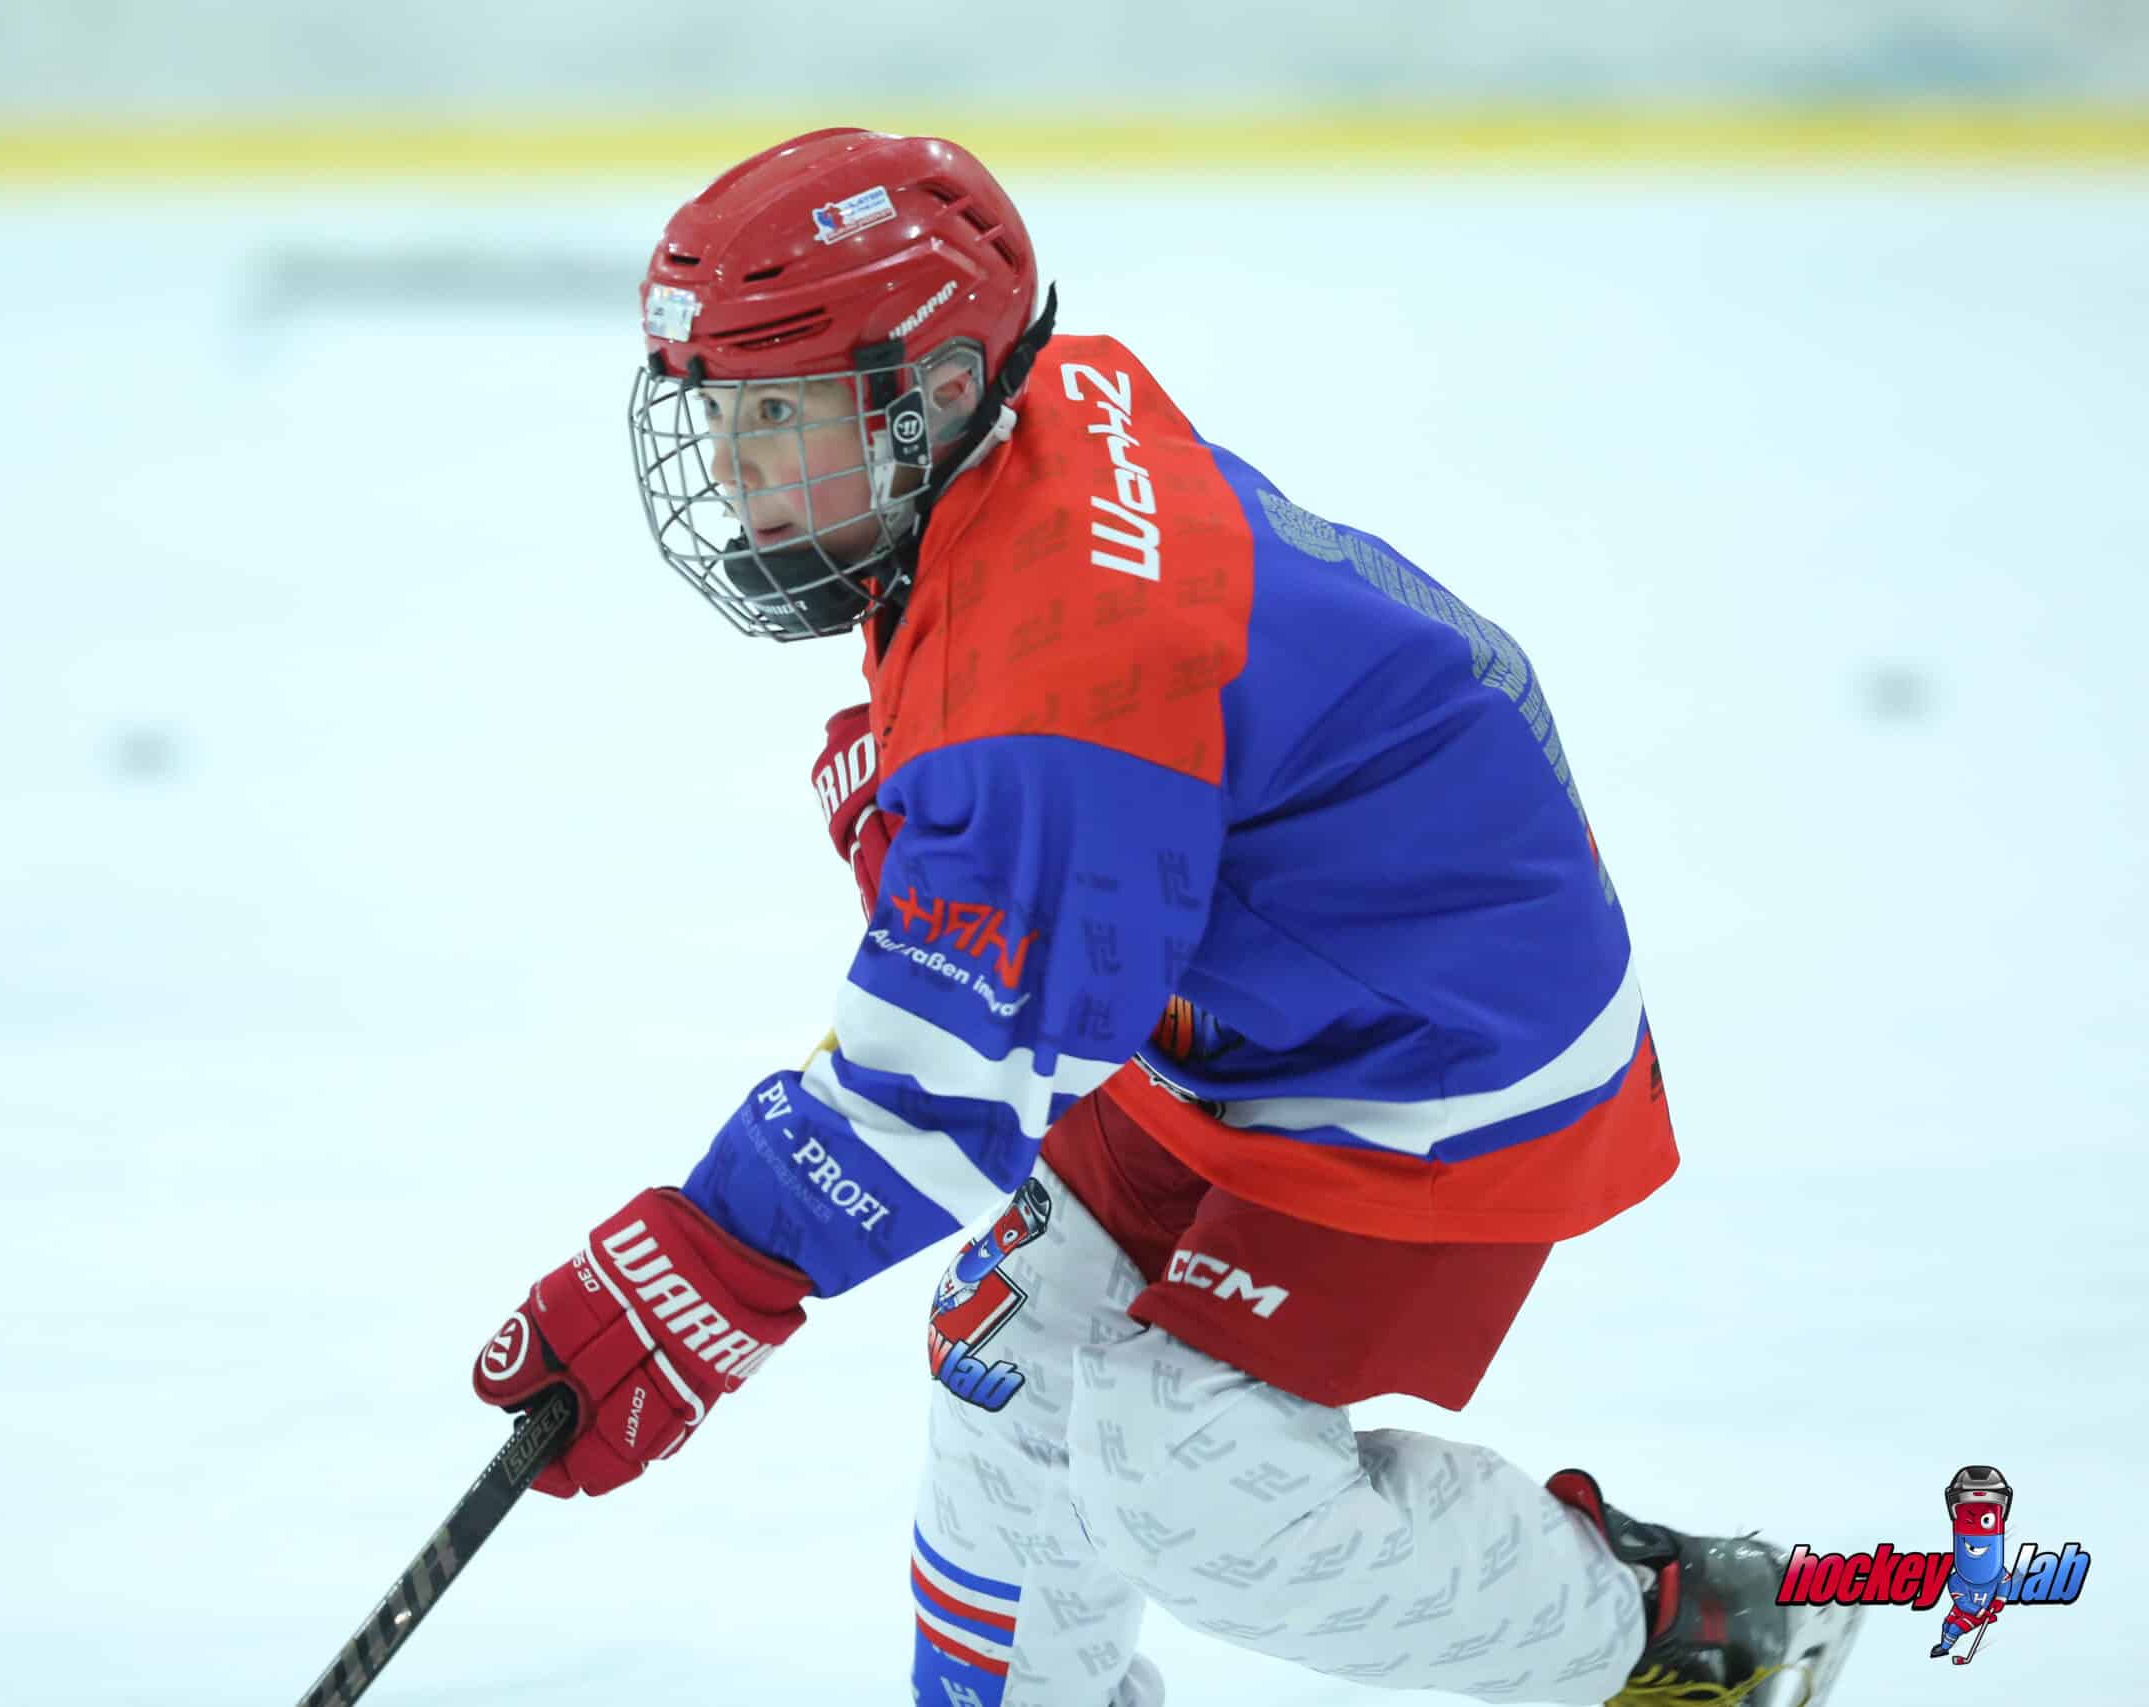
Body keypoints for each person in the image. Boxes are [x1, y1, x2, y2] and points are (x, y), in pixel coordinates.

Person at [469, 127, 1860, 1707]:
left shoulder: (1058, 699)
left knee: (1188, 1486)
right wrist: (979, 825)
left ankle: (1692, 1635)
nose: (732, 467)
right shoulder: (1028, 422)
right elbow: (1118, 761)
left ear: (927, 393)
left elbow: (945, 1087)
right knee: (1013, 1364)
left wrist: (707, 1269)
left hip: (1437, 1064)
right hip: (1254, 984)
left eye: (777, 413)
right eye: (719, 412)